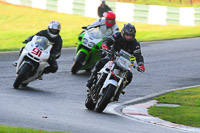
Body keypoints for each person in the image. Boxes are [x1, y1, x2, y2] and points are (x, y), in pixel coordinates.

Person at [86, 23, 145, 88]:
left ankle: (119, 90)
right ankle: (92, 78)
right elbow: (108, 40)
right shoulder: (117, 35)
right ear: (123, 33)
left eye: (130, 36)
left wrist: (140, 64)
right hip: (112, 56)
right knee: (101, 62)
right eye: (127, 35)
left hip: (125, 63)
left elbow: (138, 55)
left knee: (129, 76)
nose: (128, 37)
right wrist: (105, 45)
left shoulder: (135, 44)